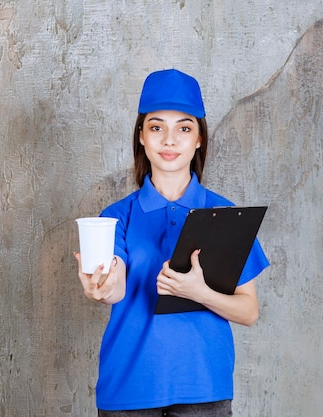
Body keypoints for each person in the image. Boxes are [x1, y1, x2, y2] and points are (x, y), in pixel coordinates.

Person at [75, 69, 269, 416]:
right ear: (141, 137)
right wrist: (100, 287)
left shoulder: (225, 214)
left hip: (204, 388)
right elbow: (115, 283)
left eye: (183, 128)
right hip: (129, 388)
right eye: (156, 127)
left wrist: (199, 292)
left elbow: (249, 311)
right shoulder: (117, 215)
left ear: (198, 139)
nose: (169, 140)